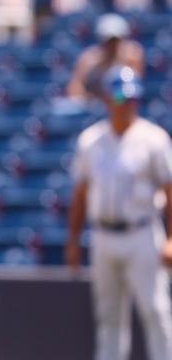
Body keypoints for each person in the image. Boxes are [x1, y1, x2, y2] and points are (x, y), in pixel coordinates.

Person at [66, 66, 172, 360]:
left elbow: (170, 189)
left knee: (155, 310)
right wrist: (73, 241)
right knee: (109, 316)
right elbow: (81, 194)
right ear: (106, 100)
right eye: (119, 97)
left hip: (143, 233)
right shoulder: (91, 140)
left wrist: (171, 239)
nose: (126, 104)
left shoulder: (155, 139)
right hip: (102, 234)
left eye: (131, 98)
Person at [67, 13, 145, 103]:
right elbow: (75, 89)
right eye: (108, 41)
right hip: (95, 106)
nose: (111, 45)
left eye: (115, 41)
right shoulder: (89, 59)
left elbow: (134, 89)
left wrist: (115, 99)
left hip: (121, 103)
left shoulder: (132, 56)